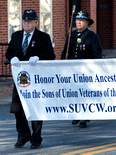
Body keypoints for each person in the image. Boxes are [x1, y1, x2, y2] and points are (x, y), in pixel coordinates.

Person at [6, 9, 55, 149]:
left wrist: (39, 58)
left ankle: (36, 139)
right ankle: (23, 135)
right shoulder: (16, 36)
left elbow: (51, 55)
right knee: (17, 109)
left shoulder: (43, 37)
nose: (26, 23)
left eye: (29, 21)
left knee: (35, 109)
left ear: (36, 22)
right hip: (20, 80)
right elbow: (9, 52)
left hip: (36, 80)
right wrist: (12, 58)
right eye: (24, 20)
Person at [61, 10, 102, 128]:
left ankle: (84, 117)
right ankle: (76, 114)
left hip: (86, 72)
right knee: (74, 93)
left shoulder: (92, 36)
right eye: (77, 20)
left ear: (87, 23)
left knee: (84, 94)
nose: (78, 23)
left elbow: (97, 55)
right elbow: (65, 52)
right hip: (72, 71)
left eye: (81, 20)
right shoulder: (71, 35)